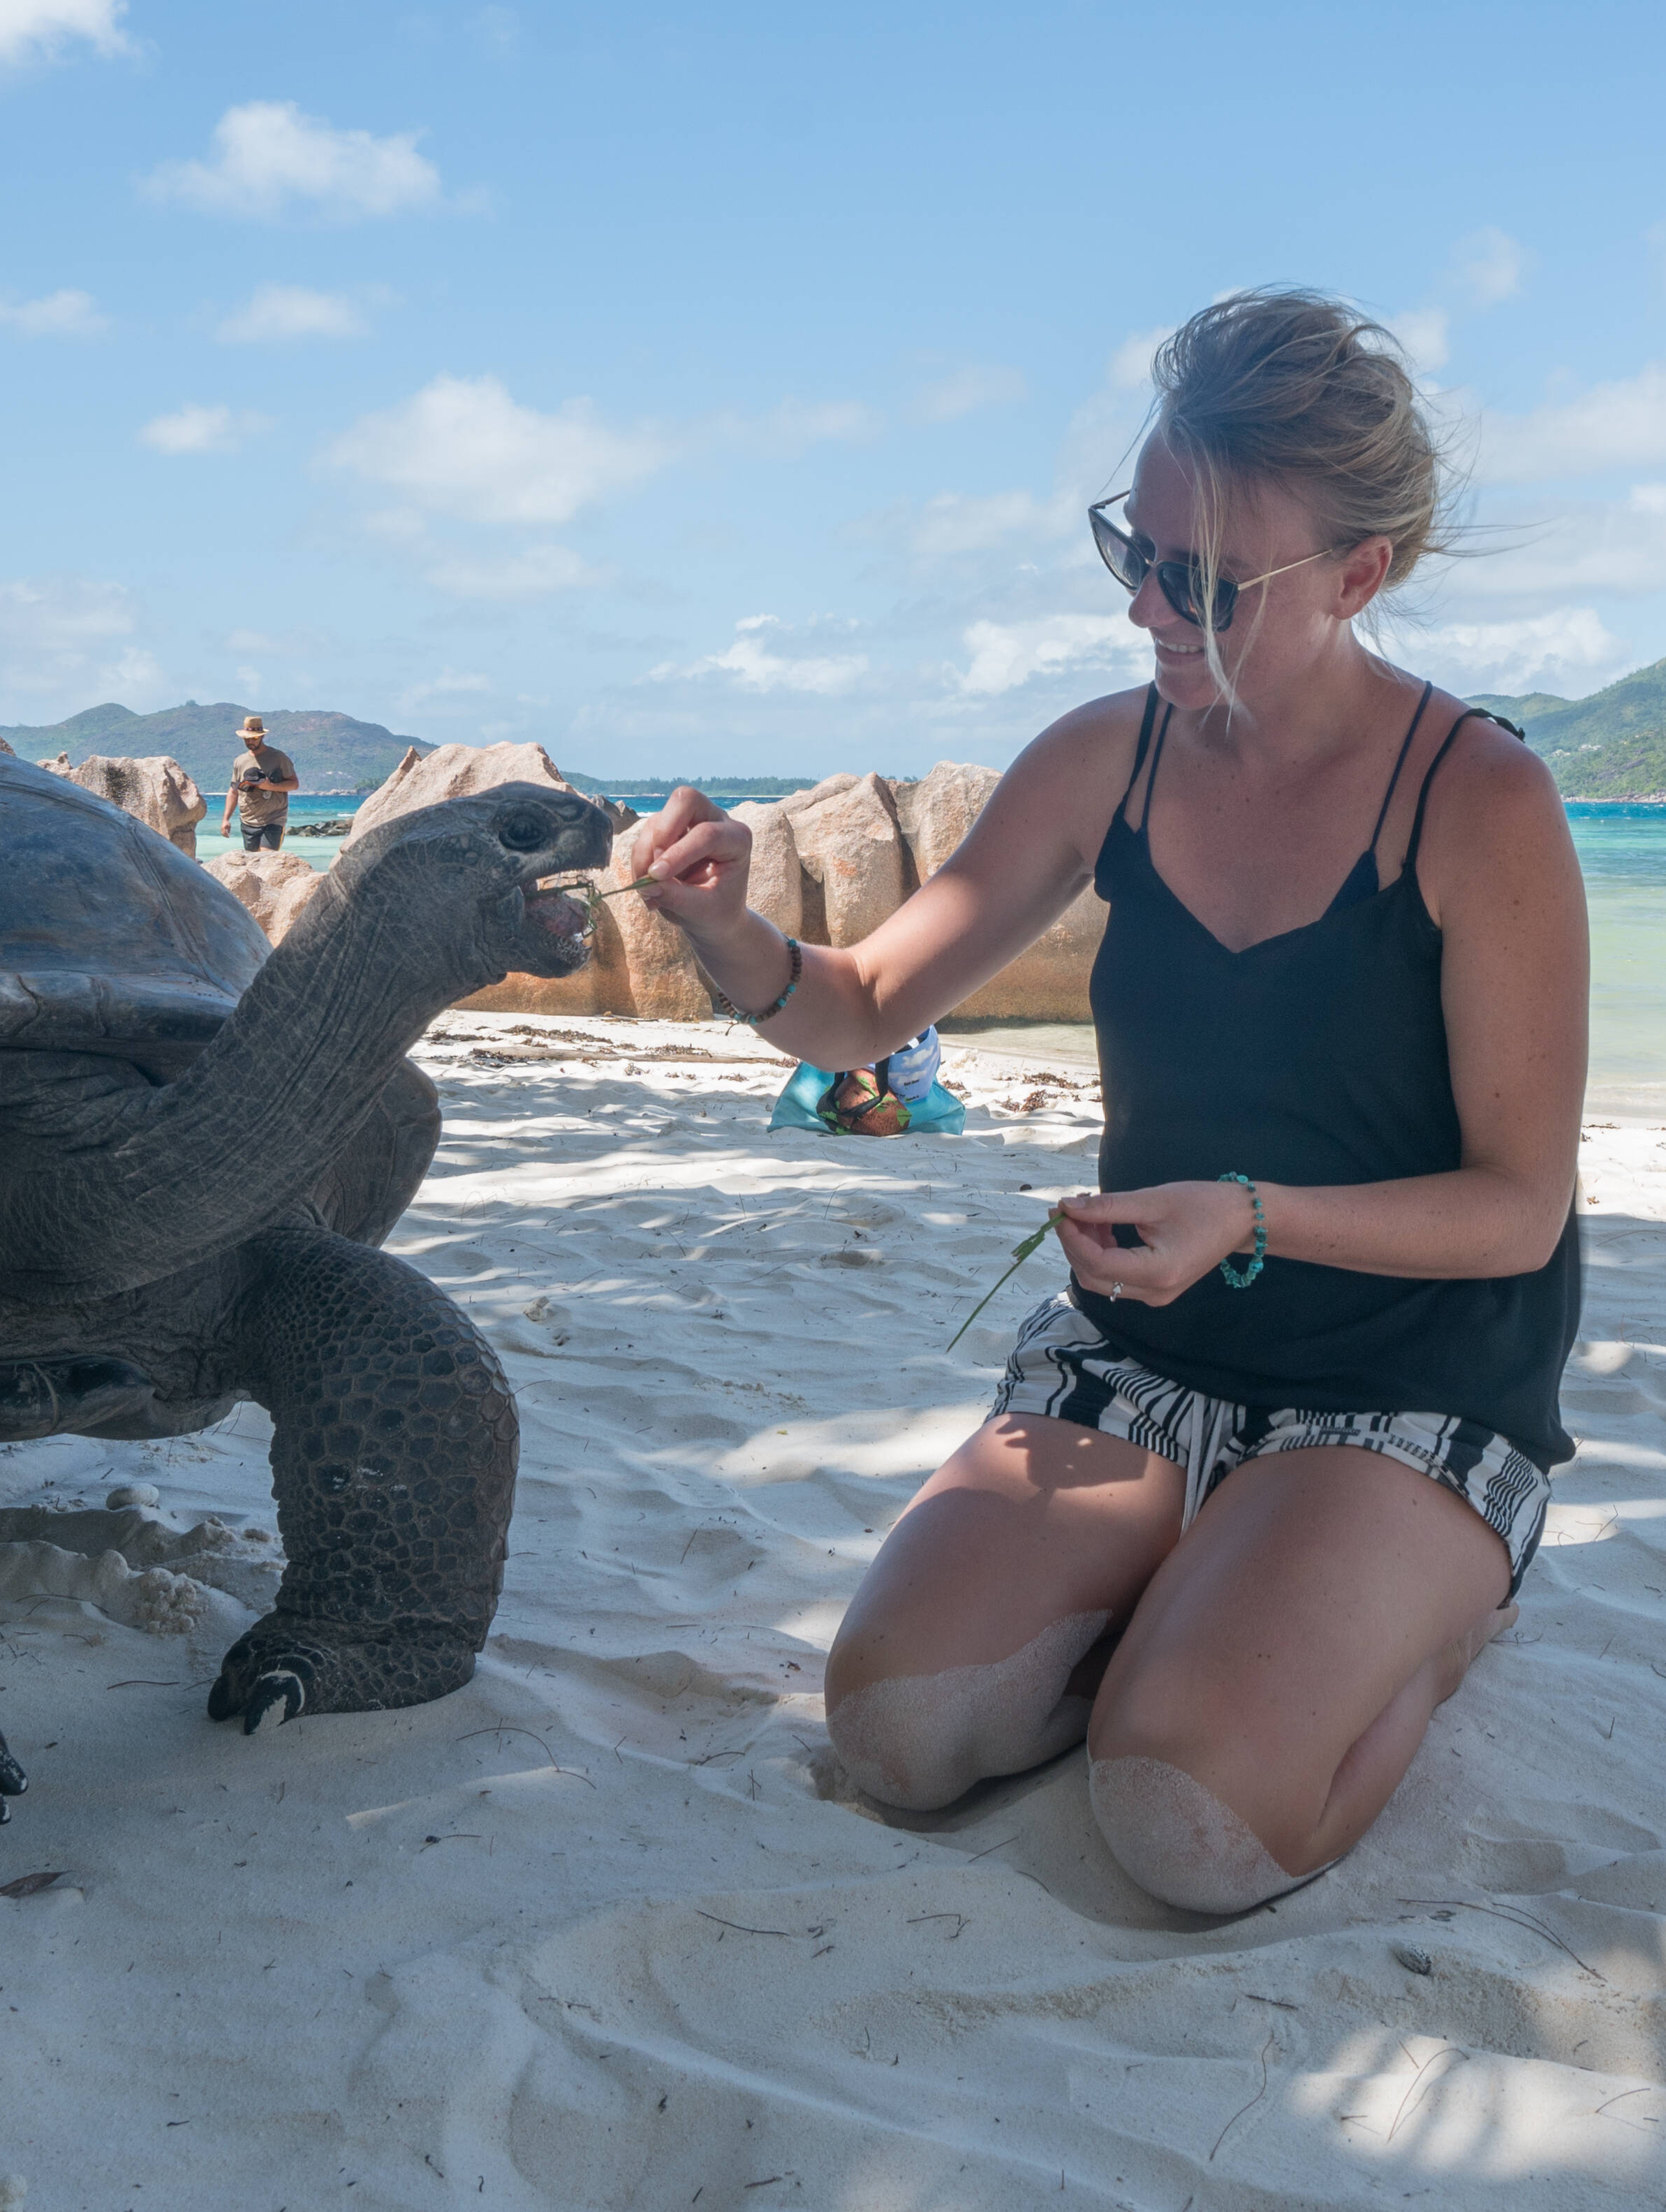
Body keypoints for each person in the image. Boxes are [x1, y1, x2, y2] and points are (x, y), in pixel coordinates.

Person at [626, 290, 1588, 1915]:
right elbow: (860, 1004)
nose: (1147, 603)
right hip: (1145, 1346)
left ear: (1360, 575)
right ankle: (1213, 1587)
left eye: (1200, 578)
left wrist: (1253, 1218)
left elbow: (1520, 1204)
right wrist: (729, 928)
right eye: (1125, 549)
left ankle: (1429, 1606)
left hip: (1408, 1374)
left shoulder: (1477, 800)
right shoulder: (1102, 757)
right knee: (898, 1736)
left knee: (1190, 1822)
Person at [221, 715, 299, 852]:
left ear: (262, 737)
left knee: (266, 859)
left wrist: (271, 787)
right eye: (247, 738)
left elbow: (294, 784)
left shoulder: (279, 758)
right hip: (248, 820)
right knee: (252, 862)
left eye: (254, 738)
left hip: (274, 819)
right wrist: (226, 819)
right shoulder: (240, 761)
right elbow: (234, 791)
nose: (250, 741)